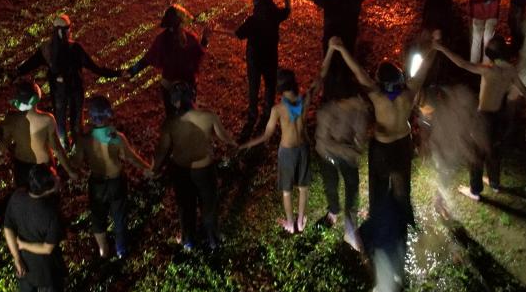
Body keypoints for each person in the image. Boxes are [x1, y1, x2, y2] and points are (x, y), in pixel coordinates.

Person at [321, 39, 420, 228]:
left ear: (381, 81)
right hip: (403, 144)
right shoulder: (409, 94)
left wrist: (341, 48)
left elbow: (359, 72)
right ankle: (405, 217)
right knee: (402, 185)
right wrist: (435, 48)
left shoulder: (378, 96)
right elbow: (424, 70)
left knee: (379, 186)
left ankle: (378, 219)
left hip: (382, 147)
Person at [432, 37, 526, 199]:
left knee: (476, 153)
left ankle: (475, 191)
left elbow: (462, 63)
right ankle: (495, 184)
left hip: (483, 118)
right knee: (494, 151)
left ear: (490, 53)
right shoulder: (511, 70)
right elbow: (524, 90)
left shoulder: (488, 70)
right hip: (499, 116)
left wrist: (441, 48)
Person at [151, 80, 235, 251]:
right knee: (209, 205)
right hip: (205, 170)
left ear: (174, 101)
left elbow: (162, 150)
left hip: (182, 171)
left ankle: (188, 240)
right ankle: (213, 240)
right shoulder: (208, 116)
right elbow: (224, 137)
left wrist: (154, 169)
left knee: (185, 207)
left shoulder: (170, 123)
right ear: (193, 97)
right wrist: (234, 143)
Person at [292, 0, 391, 99]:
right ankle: (345, 94)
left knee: (329, 68)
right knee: (348, 67)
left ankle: (329, 95)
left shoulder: (328, 0)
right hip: (348, 41)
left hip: (330, 41)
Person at [15, 13, 120, 143]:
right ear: (63, 31)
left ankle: (64, 144)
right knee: (76, 122)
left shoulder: (46, 49)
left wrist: (13, 73)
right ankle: (78, 145)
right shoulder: (75, 48)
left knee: (60, 121)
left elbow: (28, 65)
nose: (70, 31)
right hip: (75, 91)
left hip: (58, 92)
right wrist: (116, 74)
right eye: (69, 28)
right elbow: (94, 68)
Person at [77, 96, 152, 259]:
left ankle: (103, 249)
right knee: (119, 215)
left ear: (91, 116)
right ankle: (121, 249)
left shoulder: (85, 140)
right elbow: (131, 158)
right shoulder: (117, 137)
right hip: (116, 181)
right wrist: (148, 168)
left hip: (97, 183)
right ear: (108, 114)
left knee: (98, 216)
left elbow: (77, 162)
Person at [241, 69, 314, 233]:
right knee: (303, 188)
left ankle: (290, 223)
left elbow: (266, 135)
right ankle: (300, 221)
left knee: (287, 191)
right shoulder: (305, 99)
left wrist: (247, 144)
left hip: (287, 151)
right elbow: (320, 78)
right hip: (303, 148)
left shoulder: (278, 109)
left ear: (279, 88)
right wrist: (330, 54)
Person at [3, 163, 67, 292]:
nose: (58, 177)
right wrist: (24, 244)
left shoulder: (17, 197)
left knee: (25, 291)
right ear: (47, 189)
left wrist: (17, 257)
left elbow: (8, 228)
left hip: (25, 261)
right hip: (47, 266)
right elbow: (48, 248)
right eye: (54, 177)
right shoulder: (51, 213)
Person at [126, 4, 211, 117]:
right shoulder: (189, 38)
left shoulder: (161, 39)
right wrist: (205, 39)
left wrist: (132, 71)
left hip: (169, 86)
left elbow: (148, 58)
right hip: (187, 86)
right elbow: (198, 54)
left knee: (173, 118)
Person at [234, 0, 291, 140]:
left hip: (254, 60)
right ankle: (267, 114)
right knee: (270, 87)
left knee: (254, 87)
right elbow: (287, 10)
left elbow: (238, 34)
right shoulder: (275, 16)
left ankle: (253, 114)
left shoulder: (252, 20)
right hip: (270, 58)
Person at [0, 81, 77, 189]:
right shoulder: (47, 119)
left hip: (21, 167)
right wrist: (70, 171)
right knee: (47, 195)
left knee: (25, 195)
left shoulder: (11, 119)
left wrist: (0, 153)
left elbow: (4, 144)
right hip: (43, 168)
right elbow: (56, 148)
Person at [312, 91, 368, 249]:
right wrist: (347, 150)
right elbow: (323, 141)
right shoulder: (327, 111)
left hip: (347, 153)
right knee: (331, 183)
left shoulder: (358, 108)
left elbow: (360, 135)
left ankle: (350, 227)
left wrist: (355, 149)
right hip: (327, 152)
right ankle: (333, 211)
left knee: (352, 185)